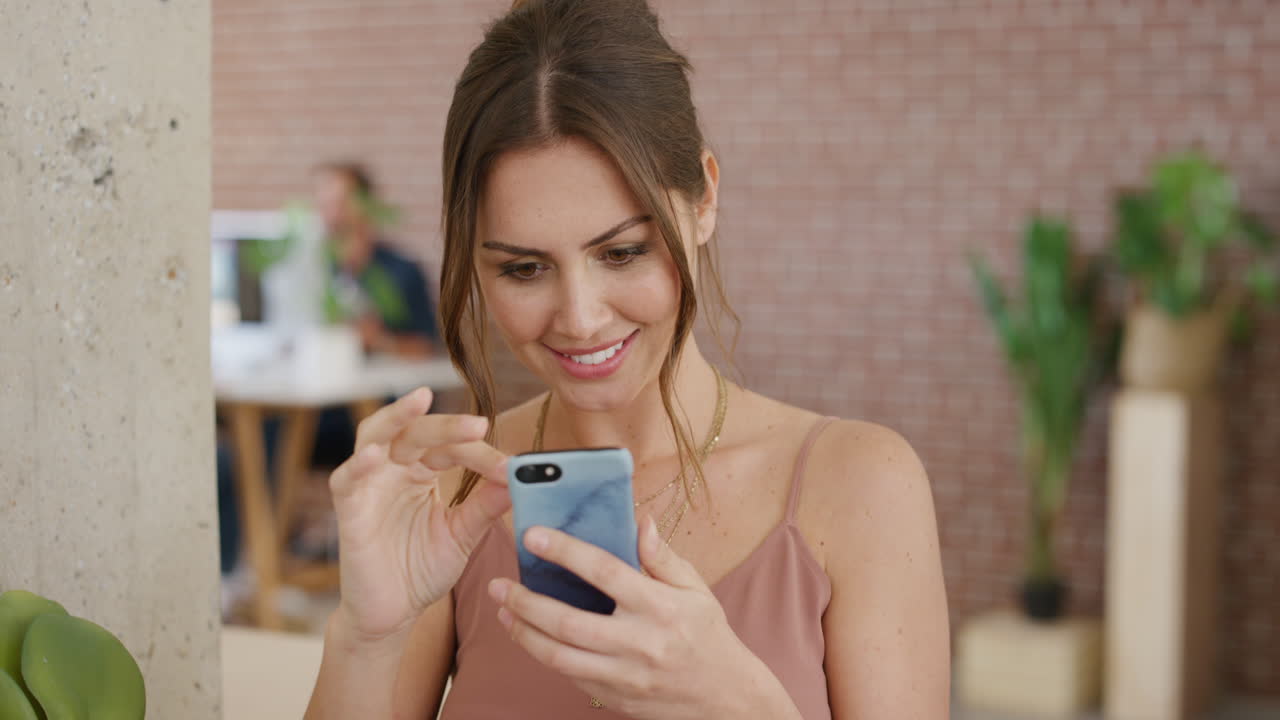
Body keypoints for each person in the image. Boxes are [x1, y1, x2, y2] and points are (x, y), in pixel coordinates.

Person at [305, 0, 949, 718]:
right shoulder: (455, 495)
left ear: (703, 197)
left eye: (623, 252)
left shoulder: (860, 484)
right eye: (523, 269)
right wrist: (367, 636)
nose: (580, 319)